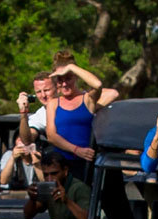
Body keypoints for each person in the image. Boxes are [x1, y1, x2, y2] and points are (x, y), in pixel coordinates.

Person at [45, 50, 118, 182]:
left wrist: (71, 67)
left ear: (76, 77)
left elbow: (98, 85)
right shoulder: (53, 103)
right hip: (62, 164)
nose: (64, 84)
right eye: (60, 80)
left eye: (68, 78)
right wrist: (76, 150)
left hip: (85, 164)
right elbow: (51, 136)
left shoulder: (87, 99)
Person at [16, 71, 56, 146]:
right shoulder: (40, 115)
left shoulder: (73, 103)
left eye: (47, 90)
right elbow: (27, 141)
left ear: (57, 88)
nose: (43, 95)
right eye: (38, 92)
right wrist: (23, 113)